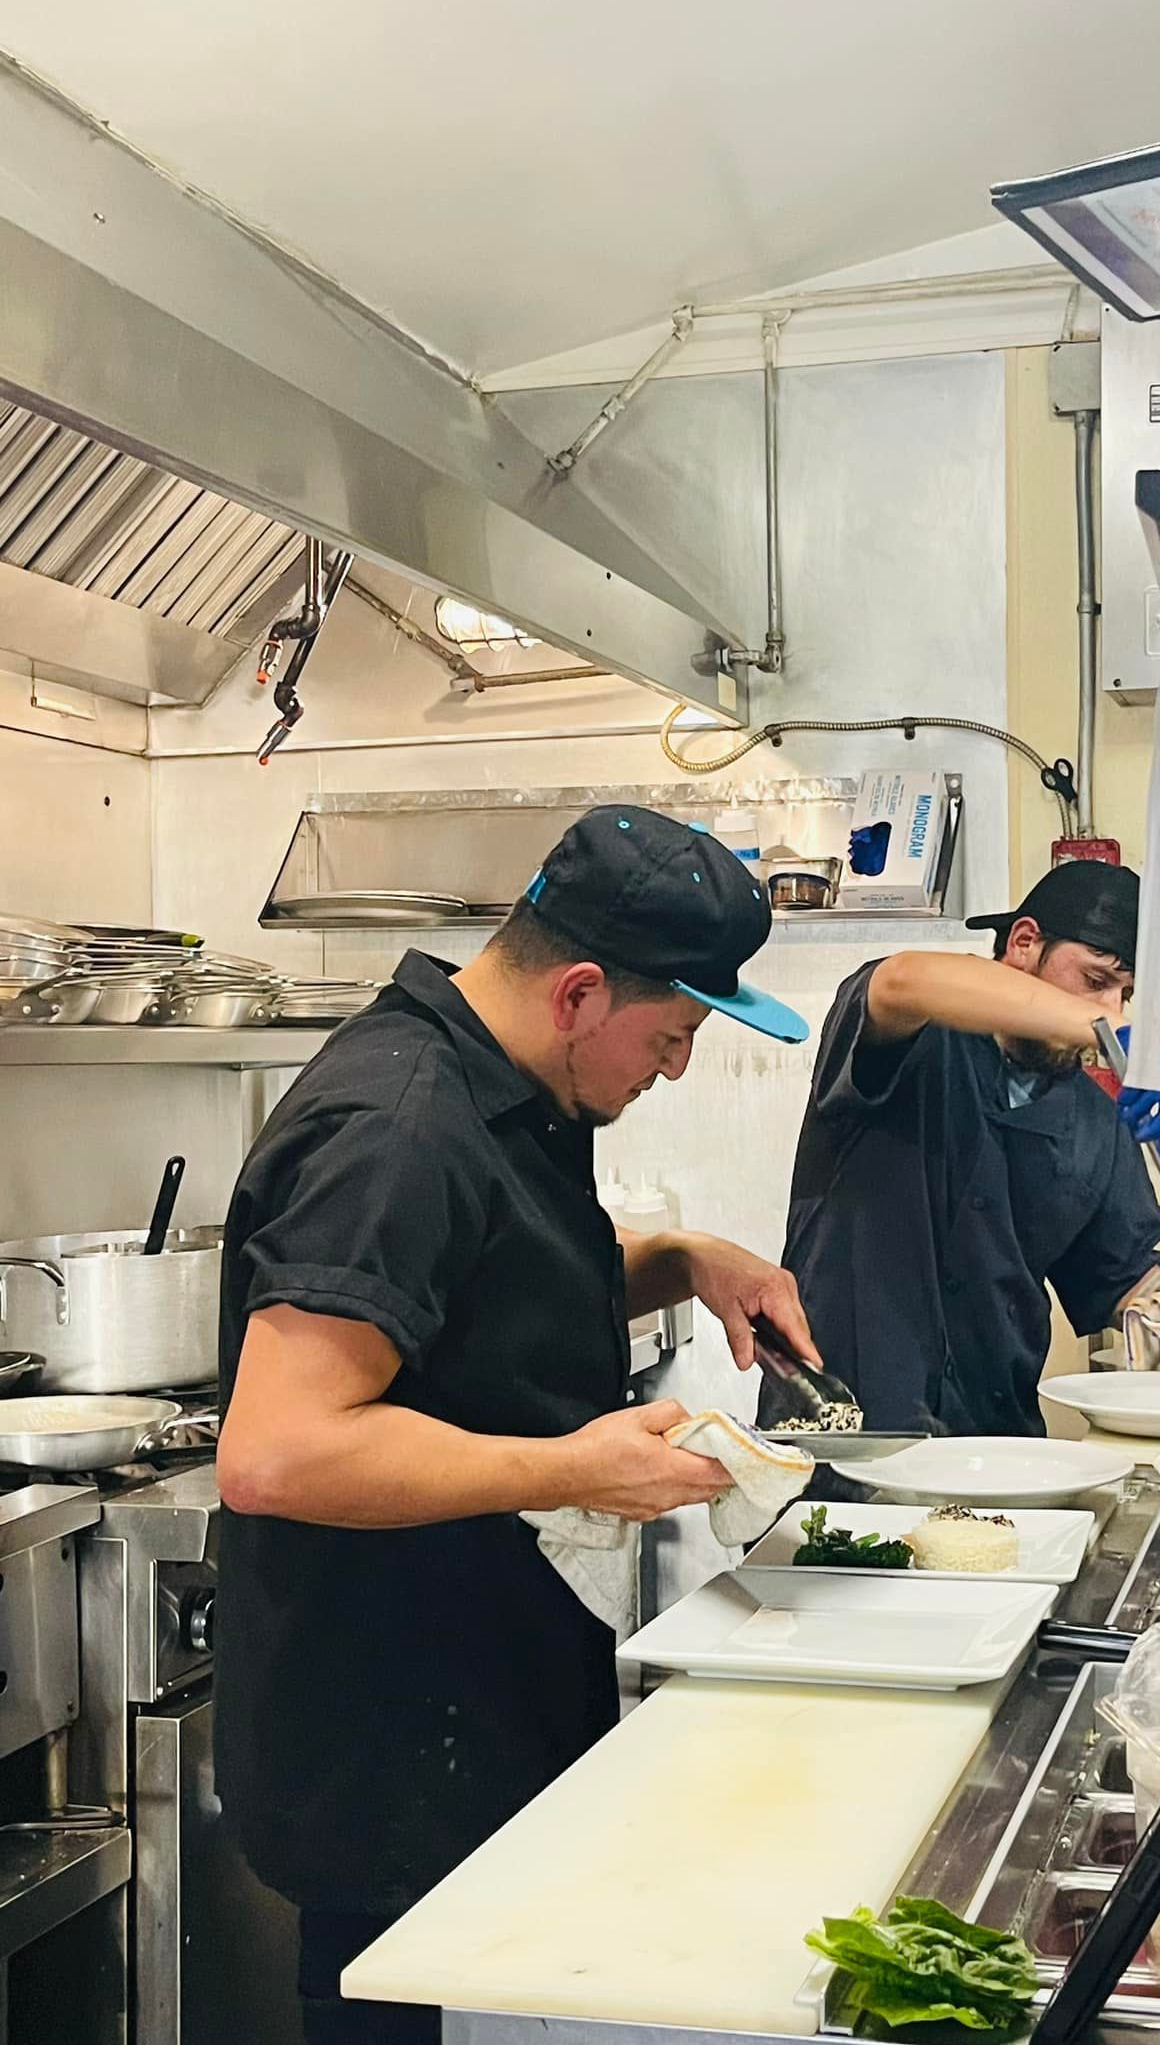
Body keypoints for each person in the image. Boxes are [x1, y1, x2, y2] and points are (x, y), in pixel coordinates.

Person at [214, 805, 818, 2045]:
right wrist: (572, 1466)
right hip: (396, 1744)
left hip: (478, 1699)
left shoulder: (512, 1092)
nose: (676, 1069)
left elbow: (494, 1281)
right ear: (581, 994)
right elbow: (276, 1450)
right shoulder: (398, 1126)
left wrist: (686, 1257)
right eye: (674, 1035)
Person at [782, 859, 1160, 1435]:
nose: (1112, 1010)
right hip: (846, 1434)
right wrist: (1095, 1024)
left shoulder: (1096, 1121)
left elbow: (1123, 1279)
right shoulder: (907, 1038)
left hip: (994, 1449)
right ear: (1024, 942)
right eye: (1096, 981)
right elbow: (902, 980)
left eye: (1125, 996)